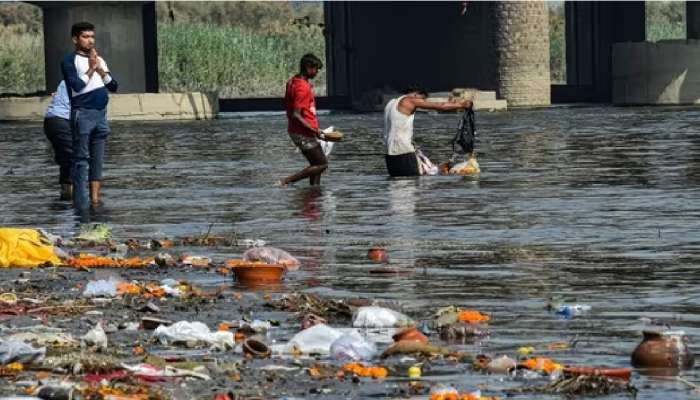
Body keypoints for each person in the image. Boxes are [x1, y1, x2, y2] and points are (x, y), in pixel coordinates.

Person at [61, 21, 118, 210]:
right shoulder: (69, 61)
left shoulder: (99, 59)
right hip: (82, 114)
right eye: (85, 37)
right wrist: (91, 68)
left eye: (92, 36)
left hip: (100, 115)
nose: (90, 41)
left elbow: (113, 86)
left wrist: (100, 69)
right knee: (81, 159)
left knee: (97, 159)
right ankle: (81, 203)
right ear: (75, 39)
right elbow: (76, 85)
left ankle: (95, 201)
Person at [383, 87, 472, 177]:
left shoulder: (391, 103)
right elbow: (441, 106)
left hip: (390, 157)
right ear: (416, 94)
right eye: (422, 99)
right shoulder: (410, 100)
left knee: (396, 187)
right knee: (413, 183)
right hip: (404, 153)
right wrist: (463, 105)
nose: (422, 103)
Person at [280, 53, 328, 186]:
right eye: (315, 69)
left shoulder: (293, 82)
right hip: (303, 132)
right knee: (322, 164)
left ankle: (314, 194)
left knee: (315, 167)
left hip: (301, 131)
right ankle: (286, 181)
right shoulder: (302, 87)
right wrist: (314, 130)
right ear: (308, 67)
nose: (317, 72)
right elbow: (296, 114)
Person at [43, 80, 73, 200]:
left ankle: (66, 197)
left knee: (66, 159)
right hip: (61, 119)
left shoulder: (67, 78)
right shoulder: (81, 79)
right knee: (72, 158)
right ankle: (69, 196)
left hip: (52, 121)